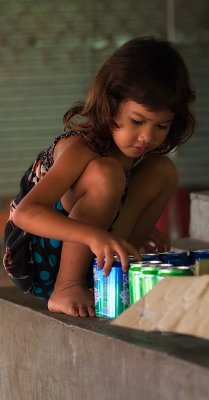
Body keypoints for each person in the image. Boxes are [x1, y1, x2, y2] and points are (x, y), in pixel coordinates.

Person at [3, 36, 195, 317]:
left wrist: (126, 226)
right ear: (111, 103)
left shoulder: (137, 153)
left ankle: (117, 272)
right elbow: (24, 215)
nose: (146, 137)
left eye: (161, 126)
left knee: (163, 171)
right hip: (38, 259)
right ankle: (67, 287)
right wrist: (92, 235)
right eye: (137, 121)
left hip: (91, 249)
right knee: (105, 173)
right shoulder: (79, 148)